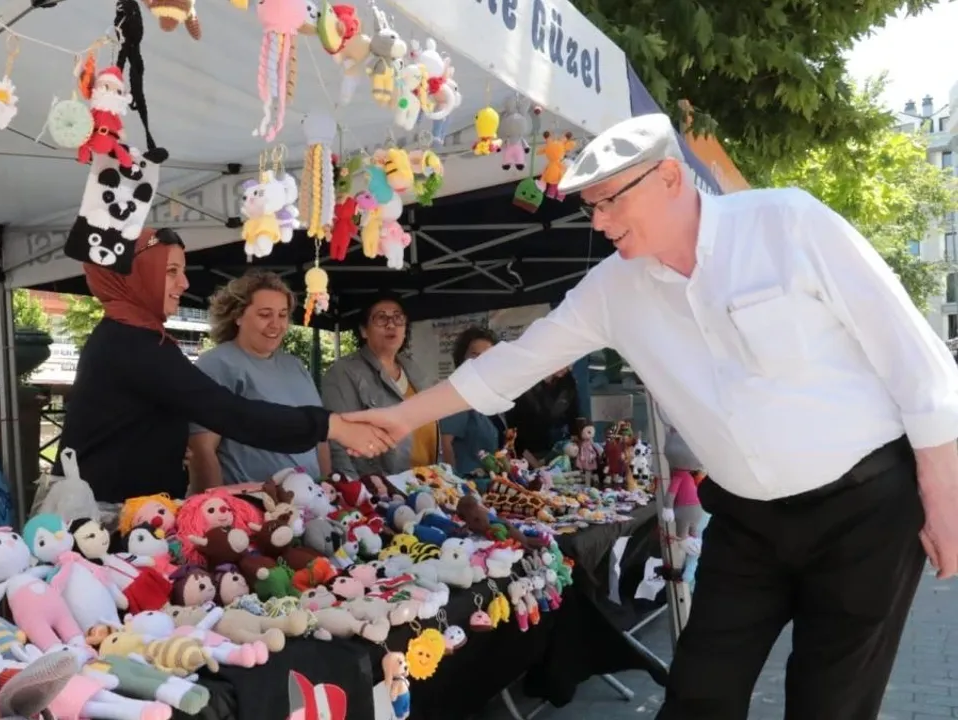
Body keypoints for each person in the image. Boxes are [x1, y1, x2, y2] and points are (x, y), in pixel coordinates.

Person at [344, 113, 958, 720]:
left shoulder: (787, 223)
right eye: (590, 206)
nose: (599, 221)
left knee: (834, 703)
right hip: (746, 521)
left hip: (866, 510)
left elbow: (917, 360)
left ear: (669, 177)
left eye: (609, 201)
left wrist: (944, 497)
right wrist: (400, 418)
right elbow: (509, 366)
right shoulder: (613, 289)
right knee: (699, 694)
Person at [57, 228, 391, 503]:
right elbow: (231, 414)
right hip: (106, 518)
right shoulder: (133, 343)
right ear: (136, 276)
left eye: (182, 271)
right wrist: (329, 425)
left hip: (129, 508)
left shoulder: (130, 336)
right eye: (170, 272)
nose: (184, 284)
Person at [188, 271, 331, 490]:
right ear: (237, 316)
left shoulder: (296, 365)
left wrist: (327, 487)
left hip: (311, 502)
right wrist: (217, 507)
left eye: (283, 315)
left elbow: (320, 438)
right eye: (265, 314)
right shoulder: (217, 363)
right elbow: (202, 448)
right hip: (250, 507)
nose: (276, 324)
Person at [322, 295, 438, 477]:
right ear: (363, 331)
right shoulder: (343, 372)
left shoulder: (414, 370)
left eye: (398, 317)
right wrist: (358, 492)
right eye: (381, 318)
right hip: (383, 492)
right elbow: (338, 445)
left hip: (428, 484)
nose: (391, 325)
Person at [439, 326, 504, 475]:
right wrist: (456, 487)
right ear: (462, 358)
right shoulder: (457, 395)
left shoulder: (490, 396)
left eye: (488, 357)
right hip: (468, 488)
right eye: (475, 355)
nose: (482, 361)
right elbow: (445, 445)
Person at [506, 366, 579, 463]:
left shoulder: (568, 382)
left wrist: (575, 433)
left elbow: (573, 412)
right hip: (527, 445)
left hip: (558, 444)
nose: (566, 368)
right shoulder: (527, 381)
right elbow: (513, 418)